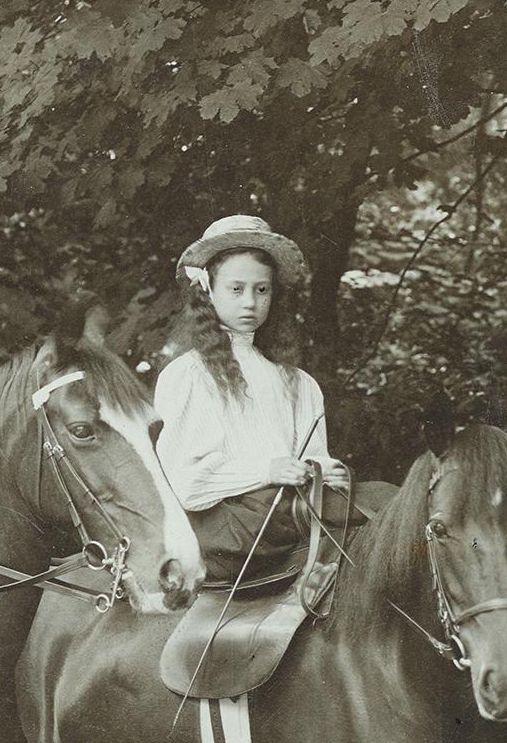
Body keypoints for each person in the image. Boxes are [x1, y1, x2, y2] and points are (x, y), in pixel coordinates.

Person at [154, 214, 376, 585]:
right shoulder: (187, 376)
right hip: (224, 530)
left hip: (286, 514)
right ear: (207, 290)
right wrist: (266, 472)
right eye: (236, 289)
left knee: (381, 504)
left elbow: (309, 455)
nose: (251, 303)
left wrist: (322, 469)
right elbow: (185, 484)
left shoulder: (298, 382)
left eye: (262, 290)